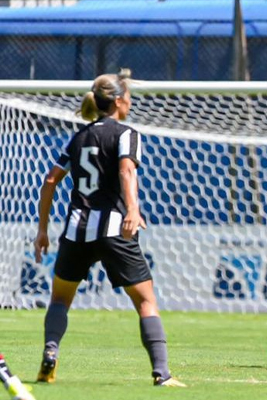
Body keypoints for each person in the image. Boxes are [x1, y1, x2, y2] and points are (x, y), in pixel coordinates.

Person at [32, 69, 185, 387]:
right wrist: (133, 209)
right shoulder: (126, 133)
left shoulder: (78, 138)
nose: (130, 102)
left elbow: (49, 182)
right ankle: (162, 373)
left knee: (60, 300)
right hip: (117, 228)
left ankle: (50, 351)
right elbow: (127, 170)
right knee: (145, 301)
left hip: (77, 229)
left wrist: (42, 231)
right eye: (128, 97)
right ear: (118, 101)